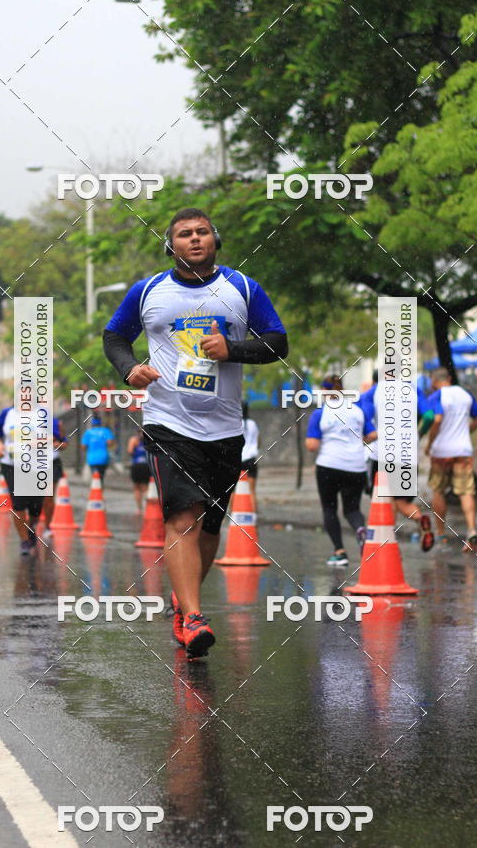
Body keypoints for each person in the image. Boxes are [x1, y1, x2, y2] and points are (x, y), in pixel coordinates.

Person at [103, 207, 288, 658]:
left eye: (202, 232)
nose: (194, 239)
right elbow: (114, 336)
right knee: (181, 518)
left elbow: (277, 343)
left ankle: (184, 601)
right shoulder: (149, 292)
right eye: (184, 234)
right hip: (168, 422)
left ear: (215, 240)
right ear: (172, 246)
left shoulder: (242, 288)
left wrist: (233, 349)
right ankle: (193, 615)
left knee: (209, 527)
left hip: (225, 426)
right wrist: (130, 369)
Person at [360, 370, 436, 551]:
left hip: (383, 453)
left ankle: (387, 540)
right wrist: (419, 433)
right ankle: (419, 518)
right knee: (401, 500)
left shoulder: (375, 391)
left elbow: (364, 415)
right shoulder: (413, 389)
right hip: (408, 453)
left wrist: (368, 434)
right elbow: (429, 416)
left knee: (384, 498)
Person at [305, 378, 377, 566]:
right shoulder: (357, 411)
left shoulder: (320, 412)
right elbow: (372, 435)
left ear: (324, 391)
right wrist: (355, 442)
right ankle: (361, 530)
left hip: (328, 466)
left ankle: (340, 551)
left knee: (329, 508)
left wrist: (320, 440)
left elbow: (312, 445)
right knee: (352, 509)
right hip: (356, 466)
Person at [425, 367, 477, 552]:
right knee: (466, 491)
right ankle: (472, 531)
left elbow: (436, 419)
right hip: (463, 451)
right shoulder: (466, 395)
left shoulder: (436, 396)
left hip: (442, 452)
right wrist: (466, 432)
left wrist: (429, 444)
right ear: (450, 378)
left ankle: (441, 535)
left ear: (434, 382)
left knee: (439, 491)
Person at [0, 406, 61, 555]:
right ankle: (24, 540)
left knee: (36, 505)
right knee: (18, 502)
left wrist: (38, 441)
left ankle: (31, 527)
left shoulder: (43, 413)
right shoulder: (7, 413)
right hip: (12, 465)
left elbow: (55, 436)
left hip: (38, 465)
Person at [42, 417, 68, 532]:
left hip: (53, 463)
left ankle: (47, 526)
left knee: (49, 496)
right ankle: (33, 522)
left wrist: (58, 443)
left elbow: (64, 444)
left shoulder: (55, 422)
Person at [81, 415, 115, 484]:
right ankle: (100, 491)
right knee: (101, 478)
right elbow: (110, 443)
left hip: (92, 458)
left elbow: (83, 447)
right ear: (100, 423)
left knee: (95, 477)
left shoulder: (88, 433)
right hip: (103, 458)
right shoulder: (105, 431)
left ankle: (95, 491)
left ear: (92, 423)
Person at [241, 401, 260, 507]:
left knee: (233, 491)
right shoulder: (253, 424)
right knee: (252, 491)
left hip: (238, 460)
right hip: (251, 459)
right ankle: (254, 518)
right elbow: (258, 441)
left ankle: (232, 515)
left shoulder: (236, 423)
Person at [127, 430, 149, 513]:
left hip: (136, 465)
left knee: (137, 488)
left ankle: (139, 509)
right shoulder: (148, 441)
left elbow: (130, 451)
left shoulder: (134, 440)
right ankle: (147, 508)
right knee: (145, 488)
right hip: (146, 466)